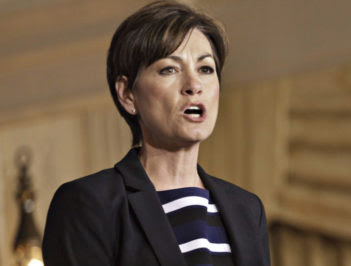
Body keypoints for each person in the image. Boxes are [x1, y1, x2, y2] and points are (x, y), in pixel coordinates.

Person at [41, 1, 270, 265]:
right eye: (169, 69)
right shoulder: (87, 204)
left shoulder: (247, 210)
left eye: (205, 69)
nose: (194, 85)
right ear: (127, 94)